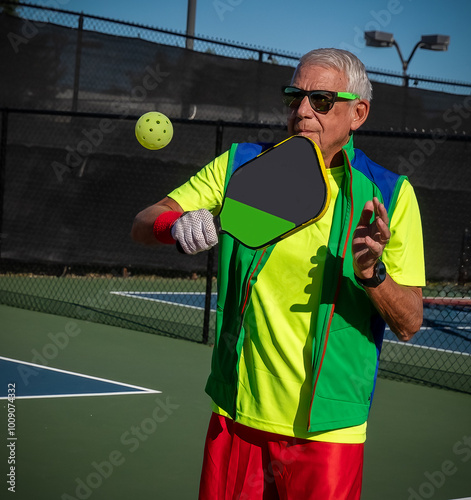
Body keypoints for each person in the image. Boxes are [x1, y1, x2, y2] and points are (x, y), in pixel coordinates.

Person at [131, 48, 425, 500]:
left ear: (358, 113)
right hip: (236, 416)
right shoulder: (239, 167)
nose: (303, 111)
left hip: (328, 434)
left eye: (322, 100)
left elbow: (409, 322)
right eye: (295, 97)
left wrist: (372, 273)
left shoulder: (391, 195)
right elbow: (144, 221)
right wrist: (176, 225)